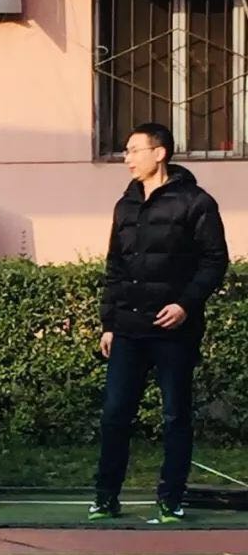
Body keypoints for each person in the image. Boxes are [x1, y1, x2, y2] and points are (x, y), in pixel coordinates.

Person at [90, 122, 228, 524]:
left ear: (159, 152)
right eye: (125, 151)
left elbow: (215, 261)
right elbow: (115, 267)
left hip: (174, 333)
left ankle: (171, 500)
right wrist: (109, 322)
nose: (127, 159)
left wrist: (185, 305)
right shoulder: (125, 205)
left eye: (134, 150)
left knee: (175, 416)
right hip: (128, 330)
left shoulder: (196, 202)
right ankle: (105, 498)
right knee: (115, 414)